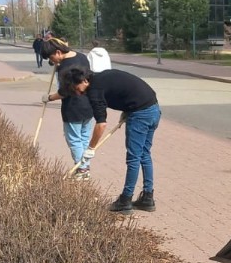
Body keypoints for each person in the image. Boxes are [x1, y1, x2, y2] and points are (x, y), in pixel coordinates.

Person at [59, 66, 161, 214]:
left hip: (140, 114)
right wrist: (128, 109)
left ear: (84, 80)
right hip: (153, 109)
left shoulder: (94, 91)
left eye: (76, 88)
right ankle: (147, 198)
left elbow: (101, 124)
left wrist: (91, 149)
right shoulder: (101, 77)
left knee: (133, 158)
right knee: (144, 154)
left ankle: (125, 200)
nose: (77, 92)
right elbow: (127, 89)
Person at [40, 38, 93, 178]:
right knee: (84, 139)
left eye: (52, 58)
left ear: (58, 52)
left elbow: (64, 92)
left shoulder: (64, 67)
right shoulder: (82, 57)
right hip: (88, 105)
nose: (53, 61)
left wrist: (49, 98)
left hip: (73, 108)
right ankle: (85, 167)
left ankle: (82, 170)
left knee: (75, 140)